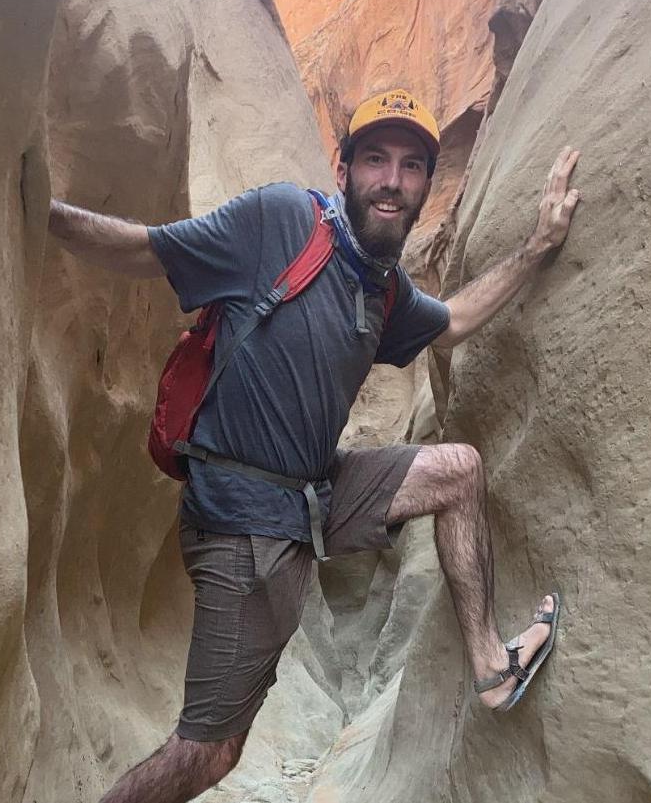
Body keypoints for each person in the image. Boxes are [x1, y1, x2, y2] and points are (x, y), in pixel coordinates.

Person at [48, 88, 580, 803]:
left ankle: (491, 666)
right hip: (241, 526)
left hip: (312, 494)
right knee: (205, 753)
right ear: (344, 168)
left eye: (411, 165)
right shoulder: (280, 222)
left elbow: (451, 321)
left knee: (456, 471)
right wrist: (39, 213)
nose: (391, 180)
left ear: (426, 183)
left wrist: (537, 247)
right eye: (374, 159)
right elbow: (147, 249)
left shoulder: (381, 289)